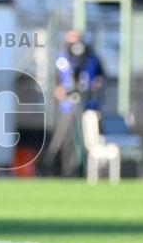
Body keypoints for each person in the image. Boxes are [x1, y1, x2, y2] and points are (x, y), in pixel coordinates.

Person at [44, 30, 104, 177]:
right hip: (68, 106)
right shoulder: (62, 59)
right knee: (66, 141)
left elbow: (100, 77)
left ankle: (88, 170)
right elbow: (56, 82)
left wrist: (95, 86)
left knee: (89, 139)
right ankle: (64, 171)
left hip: (88, 106)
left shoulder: (92, 59)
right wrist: (60, 91)